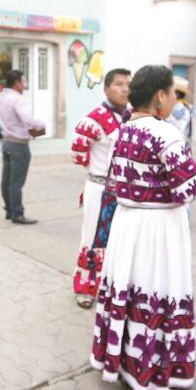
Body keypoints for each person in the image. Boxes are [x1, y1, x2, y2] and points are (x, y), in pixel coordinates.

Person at [91, 65, 196, 390]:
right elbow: (191, 187)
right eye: (171, 93)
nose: (173, 100)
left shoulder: (125, 129)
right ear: (160, 96)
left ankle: (121, 362)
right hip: (158, 229)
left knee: (129, 289)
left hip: (127, 225)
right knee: (157, 288)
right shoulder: (164, 132)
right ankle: (151, 372)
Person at [70, 68, 131, 308]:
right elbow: (77, 155)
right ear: (106, 88)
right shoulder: (93, 120)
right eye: (118, 83)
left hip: (125, 191)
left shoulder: (131, 117)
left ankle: (111, 287)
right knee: (93, 238)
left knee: (119, 240)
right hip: (99, 187)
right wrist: (98, 172)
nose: (125, 88)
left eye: (128, 83)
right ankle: (85, 287)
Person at [0, 69, 46, 224]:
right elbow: (28, 119)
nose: (24, 85)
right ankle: (17, 213)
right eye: (23, 81)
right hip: (19, 144)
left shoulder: (1, 97)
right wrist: (42, 124)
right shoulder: (17, 99)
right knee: (16, 183)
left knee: (6, 180)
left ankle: (9, 210)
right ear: (17, 82)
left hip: (6, 142)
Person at [167, 75, 194, 147]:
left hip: (171, 145)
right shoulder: (187, 107)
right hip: (183, 145)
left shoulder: (172, 108)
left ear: (177, 94)